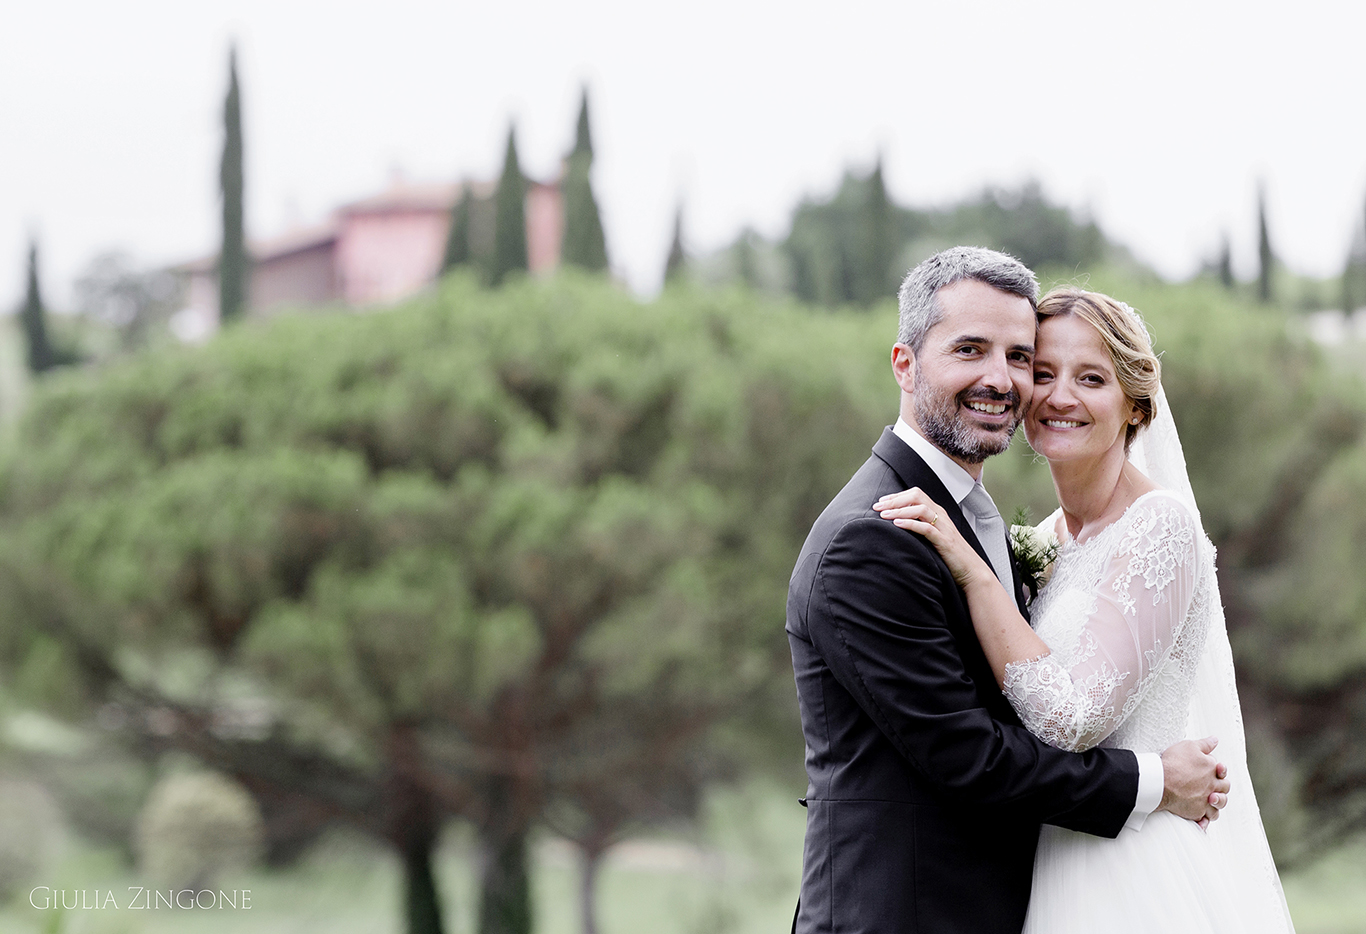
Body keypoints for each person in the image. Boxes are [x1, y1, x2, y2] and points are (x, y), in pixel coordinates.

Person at [786, 246, 1230, 934]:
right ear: (905, 363)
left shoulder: (977, 522)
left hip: (1077, 889)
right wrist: (1153, 781)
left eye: (1018, 356)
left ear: (1135, 406)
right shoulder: (874, 536)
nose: (1003, 379)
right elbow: (970, 756)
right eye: (970, 349)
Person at [872, 286, 1296, 932]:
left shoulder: (1162, 528)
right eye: (1042, 374)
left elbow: (1074, 722)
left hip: (1131, 871)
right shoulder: (1044, 540)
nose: (1059, 396)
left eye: (1090, 378)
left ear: (1135, 406)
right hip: (1047, 863)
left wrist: (973, 574)